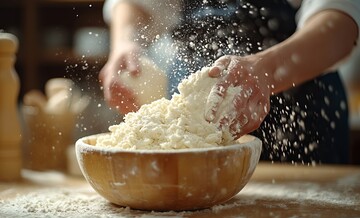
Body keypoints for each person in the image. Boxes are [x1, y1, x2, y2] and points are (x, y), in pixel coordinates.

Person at [99, 0, 360, 164]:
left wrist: (265, 71)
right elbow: (135, 4)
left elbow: (341, 24)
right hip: (191, 128)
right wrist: (127, 41)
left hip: (298, 122)